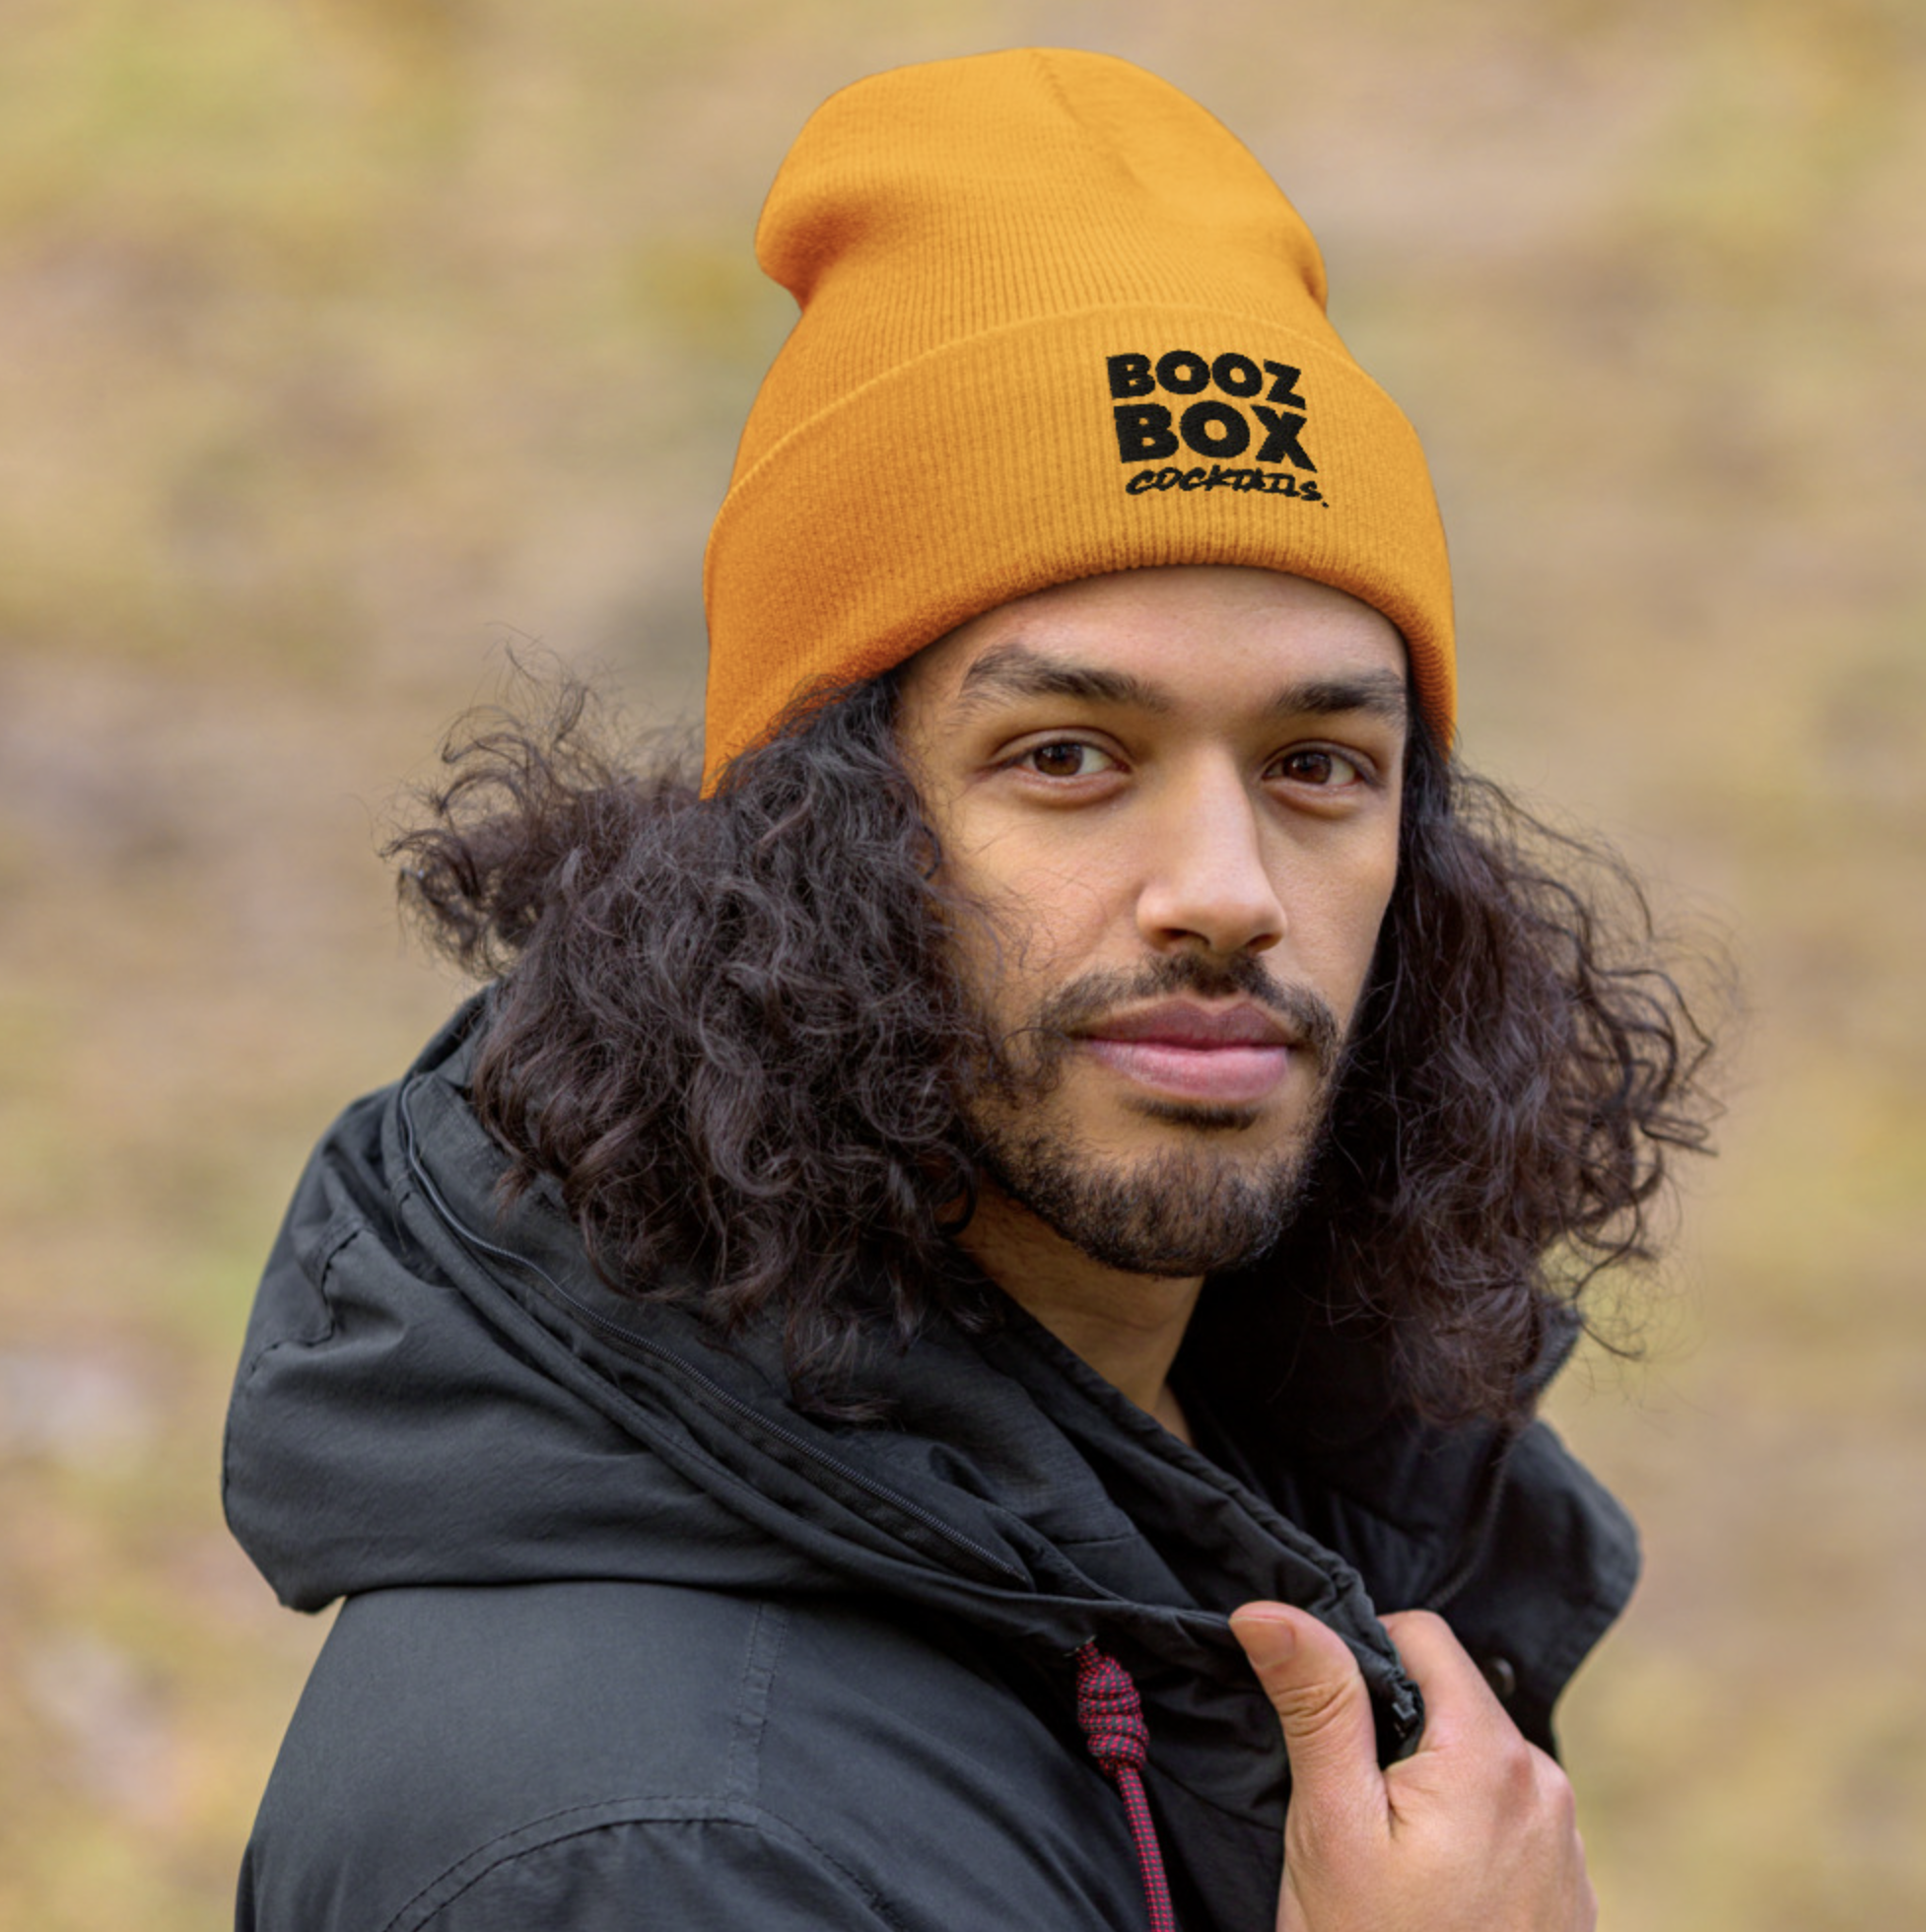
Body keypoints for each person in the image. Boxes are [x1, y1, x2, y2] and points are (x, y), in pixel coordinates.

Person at [225, 48, 1715, 1932]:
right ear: (806, 844)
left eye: (1318, 765)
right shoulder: (654, 1846)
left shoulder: (1240, 1477)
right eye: (1068, 757)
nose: (1227, 894)